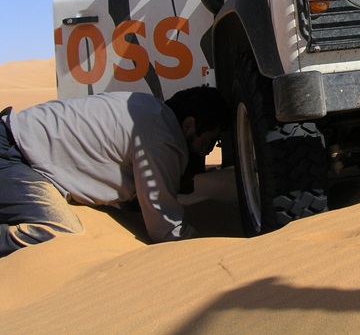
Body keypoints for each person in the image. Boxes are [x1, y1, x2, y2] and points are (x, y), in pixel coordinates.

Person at [0, 86, 230, 257]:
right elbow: (165, 229)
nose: (207, 150)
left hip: (18, 148)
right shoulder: (161, 137)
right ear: (189, 125)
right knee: (57, 233)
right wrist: (210, 251)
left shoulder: (149, 110)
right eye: (208, 141)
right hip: (13, 153)